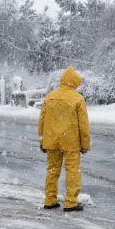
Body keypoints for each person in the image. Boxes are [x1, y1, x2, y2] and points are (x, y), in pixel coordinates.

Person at [38, 66, 90, 212]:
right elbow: (83, 125)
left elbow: (42, 120)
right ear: (74, 82)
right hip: (71, 142)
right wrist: (85, 144)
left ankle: (49, 199)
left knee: (52, 171)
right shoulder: (78, 99)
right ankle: (71, 202)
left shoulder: (50, 97)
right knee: (72, 171)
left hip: (52, 140)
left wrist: (42, 140)